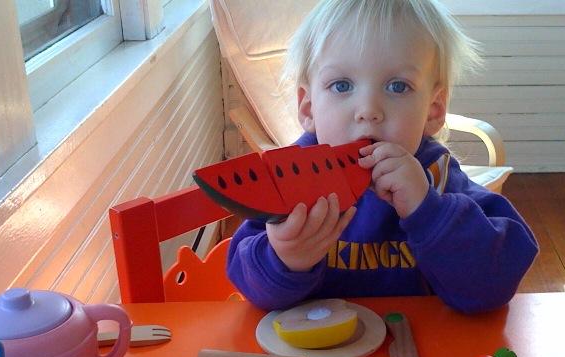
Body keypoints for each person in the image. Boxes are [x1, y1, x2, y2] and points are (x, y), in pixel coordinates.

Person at [226, 0, 538, 313]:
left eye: (398, 86)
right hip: (312, 342)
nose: (368, 110)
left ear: (433, 110)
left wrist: (429, 211)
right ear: (308, 109)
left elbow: (494, 283)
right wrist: (283, 258)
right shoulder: (292, 179)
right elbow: (245, 279)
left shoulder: (436, 175)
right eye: (342, 85)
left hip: (416, 340)